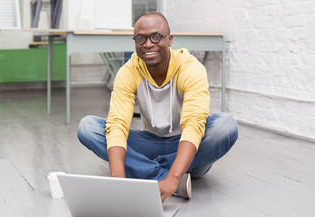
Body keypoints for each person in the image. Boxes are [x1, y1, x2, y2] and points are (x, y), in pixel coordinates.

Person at [77, 12, 238, 202]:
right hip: (150, 143)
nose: (147, 44)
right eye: (140, 38)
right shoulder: (129, 71)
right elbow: (118, 123)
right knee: (88, 127)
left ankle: (147, 170)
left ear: (169, 40)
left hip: (187, 144)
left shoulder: (190, 68)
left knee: (225, 126)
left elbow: (194, 124)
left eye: (155, 37)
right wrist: (118, 183)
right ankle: (164, 176)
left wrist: (174, 176)